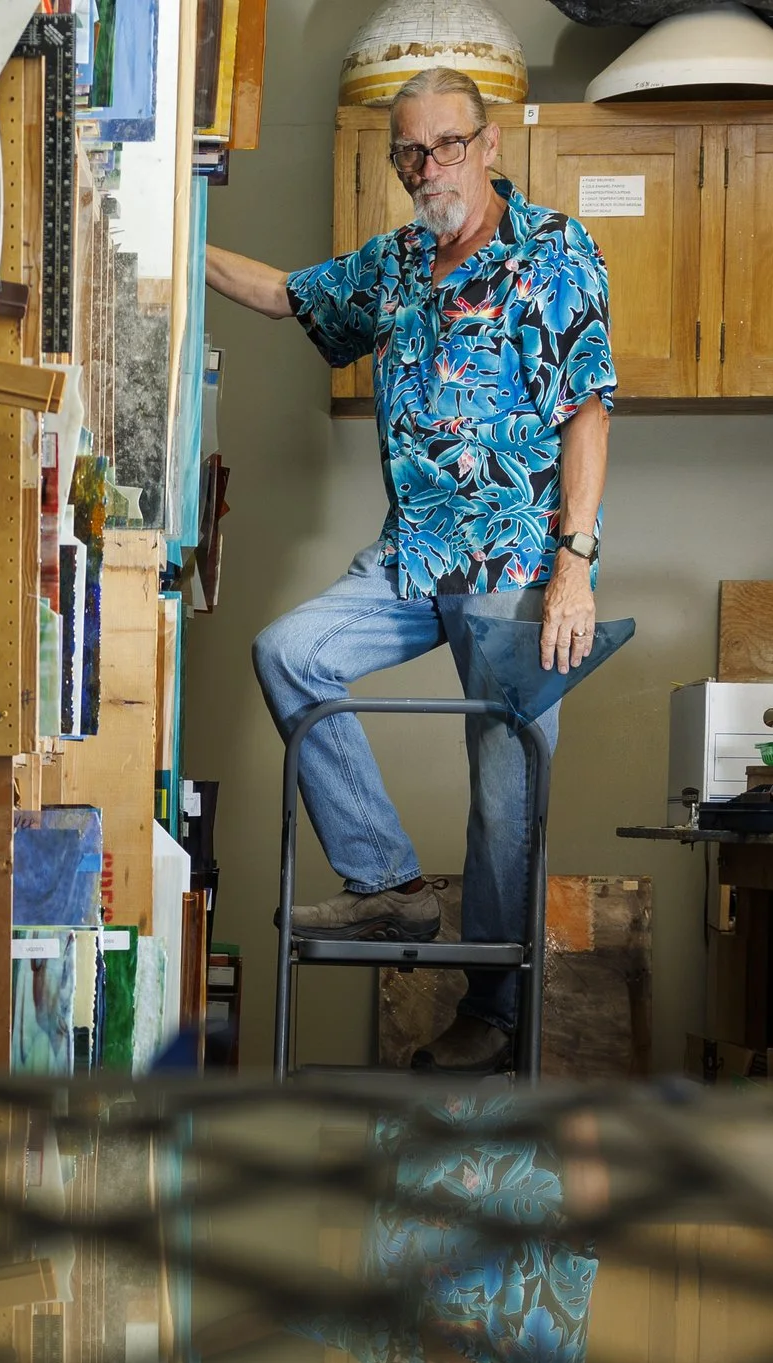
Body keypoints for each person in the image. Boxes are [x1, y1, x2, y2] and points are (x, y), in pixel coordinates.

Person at [204, 66, 619, 1075]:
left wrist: (574, 565)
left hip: (516, 564)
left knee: (505, 807)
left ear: (488, 145)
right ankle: (389, 882)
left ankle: (496, 1016)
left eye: (447, 146)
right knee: (289, 652)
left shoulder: (555, 250)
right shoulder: (392, 265)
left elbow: (587, 410)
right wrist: (174, 228)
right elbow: (282, 294)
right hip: (411, 558)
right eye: (410, 153)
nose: (429, 167)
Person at [293, 1093, 609, 1363]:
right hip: (518, 1094)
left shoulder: (379, 1343)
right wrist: (574, 1103)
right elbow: (584, 1227)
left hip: (411, 1090)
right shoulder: (545, 1362)